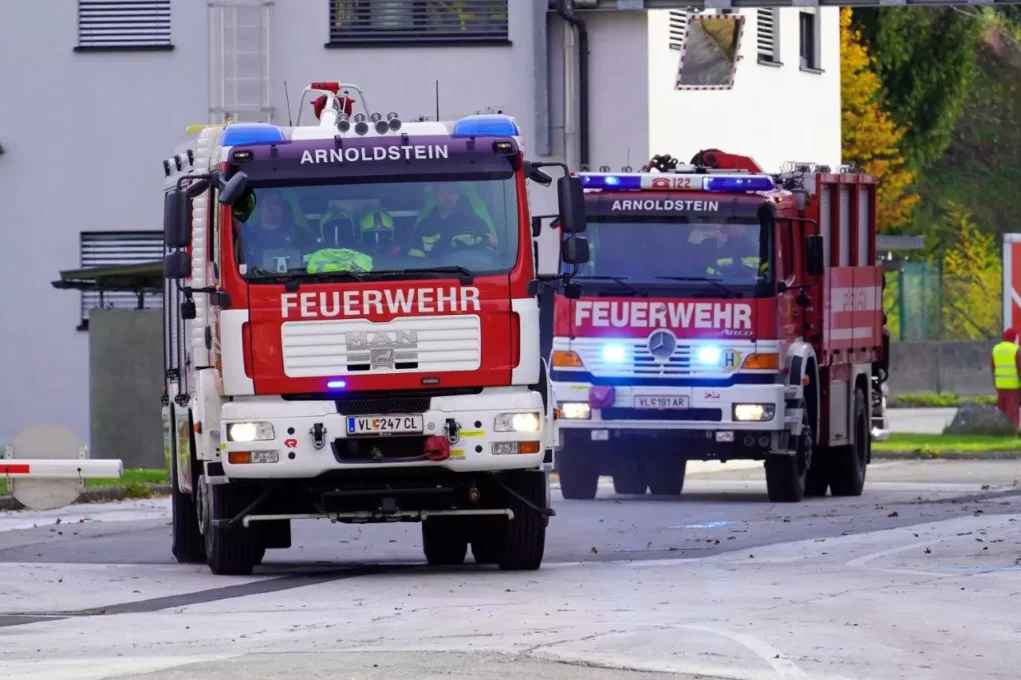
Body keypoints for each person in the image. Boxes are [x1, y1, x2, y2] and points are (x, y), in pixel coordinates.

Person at [235, 188, 315, 272]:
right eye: (268, 203)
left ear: (282, 208)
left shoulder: (299, 234)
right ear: (259, 208)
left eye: (276, 203)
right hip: (256, 278)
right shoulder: (248, 236)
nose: (272, 207)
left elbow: (312, 259)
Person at [407, 183, 494, 257]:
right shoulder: (424, 227)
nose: (447, 196)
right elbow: (415, 260)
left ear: (457, 194)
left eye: (451, 191)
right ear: (435, 195)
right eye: (441, 192)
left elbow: (489, 255)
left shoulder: (475, 222)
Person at [990, 328, 1021, 429]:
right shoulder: (1015, 349)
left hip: (1000, 384)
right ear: (1014, 338)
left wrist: (995, 382)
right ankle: (1012, 430)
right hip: (1013, 385)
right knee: (1012, 410)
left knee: (1001, 409)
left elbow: (993, 367)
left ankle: (1000, 429)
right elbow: (1020, 368)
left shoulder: (996, 349)